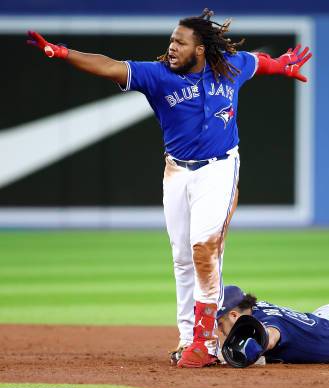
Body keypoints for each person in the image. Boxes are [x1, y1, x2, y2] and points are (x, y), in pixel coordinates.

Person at [27, 8, 312, 368]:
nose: (172, 46)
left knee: (204, 250)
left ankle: (205, 343)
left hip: (219, 168)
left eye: (181, 41)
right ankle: (186, 338)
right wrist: (64, 53)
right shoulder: (158, 76)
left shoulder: (230, 66)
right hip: (177, 173)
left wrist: (282, 64)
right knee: (182, 259)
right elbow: (109, 65)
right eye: (171, 40)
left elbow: (259, 62)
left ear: (200, 50)